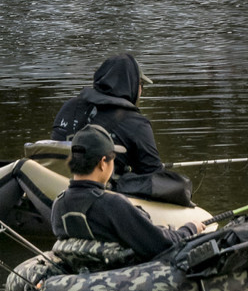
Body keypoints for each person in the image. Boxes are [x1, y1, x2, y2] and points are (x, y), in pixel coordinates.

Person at [49, 127, 197, 262]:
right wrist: (190, 229)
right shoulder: (112, 204)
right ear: (102, 163)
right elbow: (163, 245)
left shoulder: (58, 204)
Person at [51, 53, 165, 180]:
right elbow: (154, 176)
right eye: (141, 84)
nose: (141, 91)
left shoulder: (69, 106)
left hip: (58, 182)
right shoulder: (137, 123)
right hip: (100, 193)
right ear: (131, 84)